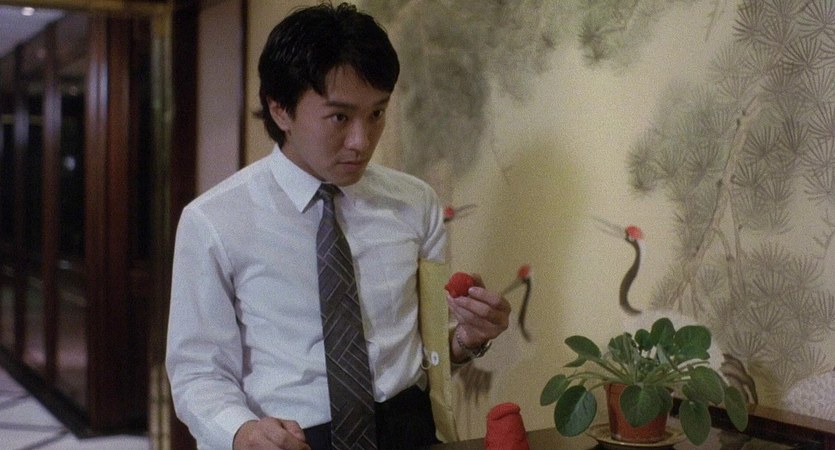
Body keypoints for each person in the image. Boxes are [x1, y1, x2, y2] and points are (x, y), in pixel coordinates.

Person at [165, 3, 511, 449]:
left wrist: (467, 338)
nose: (361, 141)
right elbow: (196, 371)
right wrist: (241, 431)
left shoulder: (414, 202)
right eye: (340, 117)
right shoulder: (214, 220)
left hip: (409, 428)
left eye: (377, 113)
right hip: (292, 437)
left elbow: (428, 344)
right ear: (280, 110)